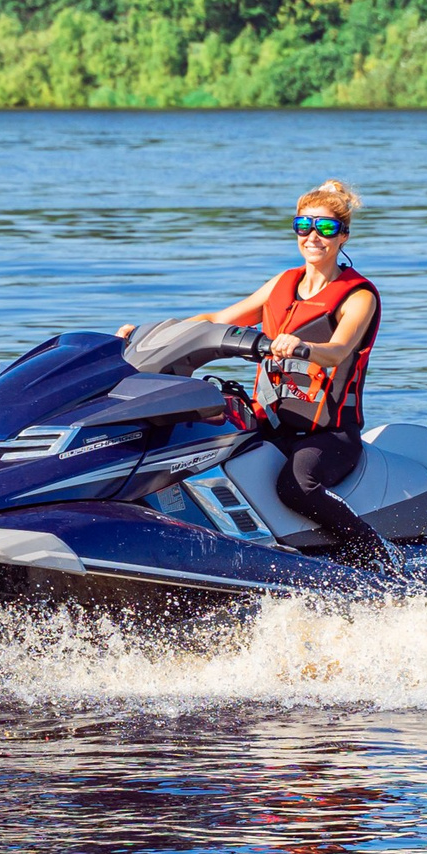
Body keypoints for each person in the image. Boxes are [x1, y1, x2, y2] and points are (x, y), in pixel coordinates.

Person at [124, 180, 392, 569]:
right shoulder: (282, 284)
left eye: (326, 228)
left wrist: (301, 347)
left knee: (297, 488)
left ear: (343, 235)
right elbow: (217, 319)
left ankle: (379, 558)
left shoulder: (357, 295)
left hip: (329, 435)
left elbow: (338, 352)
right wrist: (153, 332)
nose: (313, 236)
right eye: (304, 226)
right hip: (270, 422)